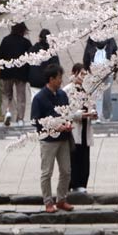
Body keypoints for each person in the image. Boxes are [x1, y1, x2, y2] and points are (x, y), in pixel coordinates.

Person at [31, 63, 75, 213]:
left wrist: (67, 123)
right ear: (51, 79)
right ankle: (48, 201)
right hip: (48, 140)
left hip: (63, 138)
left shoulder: (62, 95)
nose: (61, 81)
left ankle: (62, 199)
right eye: (59, 78)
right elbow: (36, 122)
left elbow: (67, 113)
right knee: (47, 172)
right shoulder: (39, 98)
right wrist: (54, 127)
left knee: (66, 171)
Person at [63, 63, 99, 193]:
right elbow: (65, 112)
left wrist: (93, 113)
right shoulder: (67, 90)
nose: (84, 77)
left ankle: (82, 184)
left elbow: (91, 105)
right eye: (81, 74)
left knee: (84, 157)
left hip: (85, 128)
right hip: (74, 129)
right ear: (74, 73)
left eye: (85, 74)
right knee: (74, 157)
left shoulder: (87, 90)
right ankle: (73, 183)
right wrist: (82, 114)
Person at [0, 21, 31, 127]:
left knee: (6, 95)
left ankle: (7, 113)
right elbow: (31, 58)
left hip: (6, 72)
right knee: (21, 96)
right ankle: (20, 118)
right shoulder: (26, 42)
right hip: (21, 73)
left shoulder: (5, 40)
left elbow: (0, 55)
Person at [82, 36, 118, 120]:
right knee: (98, 94)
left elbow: (115, 55)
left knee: (105, 94)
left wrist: (115, 70)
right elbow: (86, 57)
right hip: (95, 71)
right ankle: (99, 115)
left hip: (106, 71)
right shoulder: (92, 41)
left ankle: (105, 115)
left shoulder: (110, 40)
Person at [27, 29, 61, 105]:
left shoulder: (32, 50)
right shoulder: (52, 52)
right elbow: (56, 67)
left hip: (34, 82)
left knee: (35, 103)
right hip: (48, 82)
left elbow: (27, 66)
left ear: (39, 38)